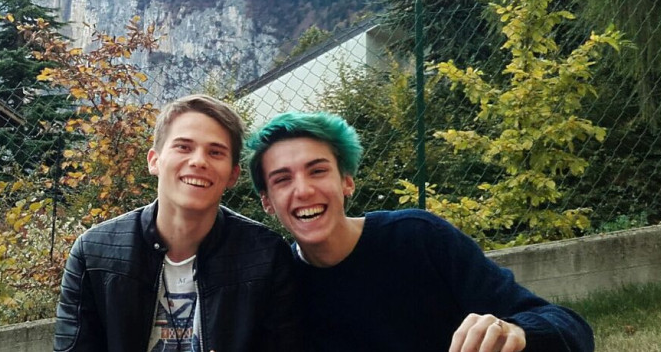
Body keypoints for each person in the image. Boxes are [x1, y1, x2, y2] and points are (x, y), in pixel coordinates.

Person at [245, 111, 595, 352]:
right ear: (267, 202)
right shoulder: (278, 282)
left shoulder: (418, 238)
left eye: (318, 171)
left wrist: (517, 332)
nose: (303, 190)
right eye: (283, 179)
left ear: (347, 182)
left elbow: (570, 328)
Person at [54, 95, 303, 352]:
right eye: (183, 147)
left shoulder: (266, 256)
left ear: (232, 175)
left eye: (215, 152)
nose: (198, 161)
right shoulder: (93, 254)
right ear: (154, 161)